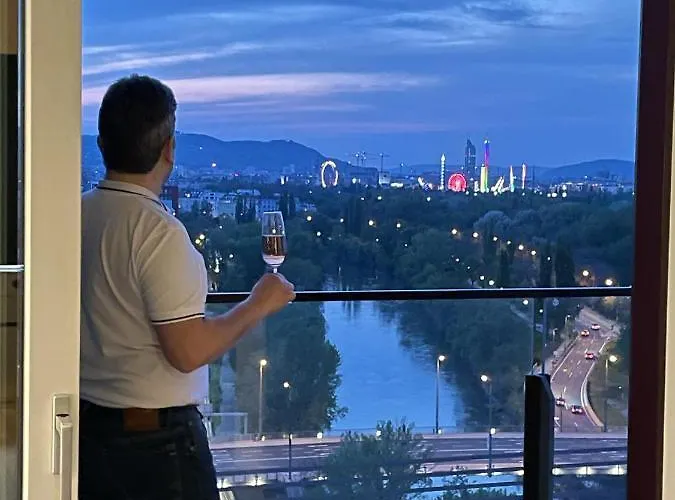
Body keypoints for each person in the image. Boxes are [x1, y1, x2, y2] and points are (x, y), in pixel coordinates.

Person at [79, 74, 296, 500]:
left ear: (102, 144)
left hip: (87, 433)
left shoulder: (76, 215)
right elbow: (187, 351)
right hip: (155, 447)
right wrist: (258, 303)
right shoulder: (157, 233)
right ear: (169, 149)